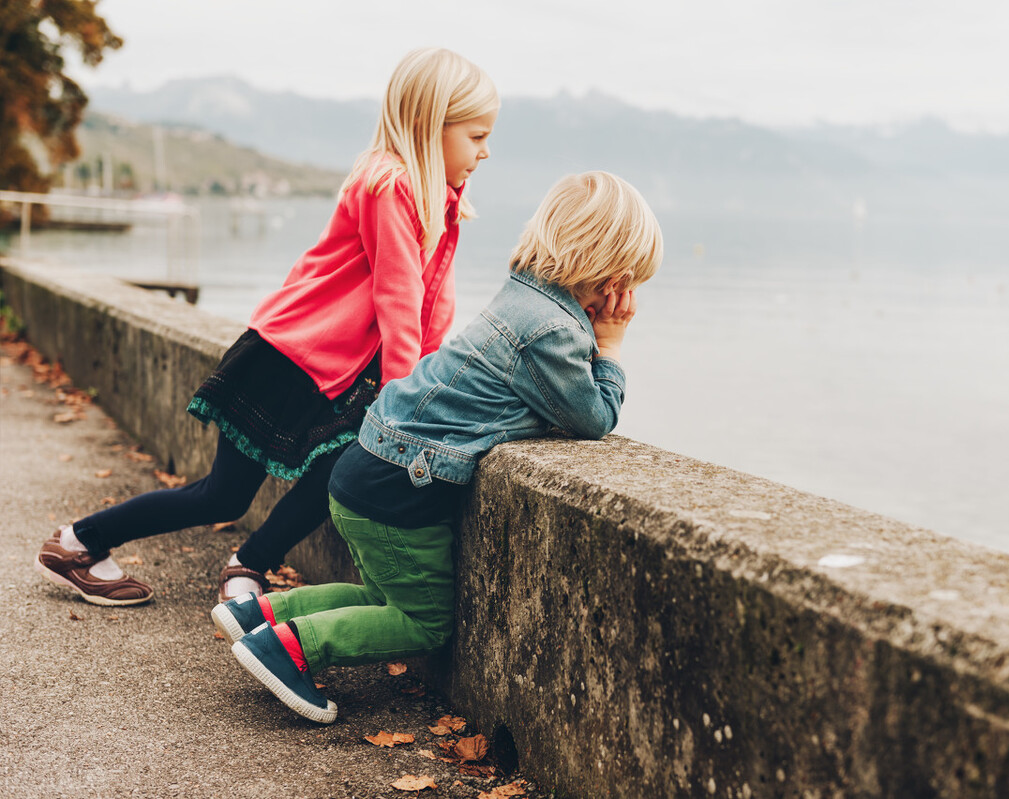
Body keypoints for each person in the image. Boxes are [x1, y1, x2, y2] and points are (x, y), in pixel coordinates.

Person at [35, 48, 499, 606]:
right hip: (285, 357)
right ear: (430, 127)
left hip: (337, 372)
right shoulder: (389, 185)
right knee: (222, 497)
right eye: (476, 136)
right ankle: (79, 542)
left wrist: (419, 389)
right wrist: (404, 404)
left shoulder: (440, 200)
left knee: (335, 471)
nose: (486, 152)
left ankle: (249, 565)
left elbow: (433, 307)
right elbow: (397, 302)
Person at [209, 171, 663, 723]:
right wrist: (610, 347)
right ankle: (285, 649)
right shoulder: (554, 331)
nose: (622, 298)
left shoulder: (521, 293)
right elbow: (593, 419)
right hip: (401, 489)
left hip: (367, 467)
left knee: (383, 600)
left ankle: (260, 616)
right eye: (625, 283)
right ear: (610, 274)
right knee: (423, 623)